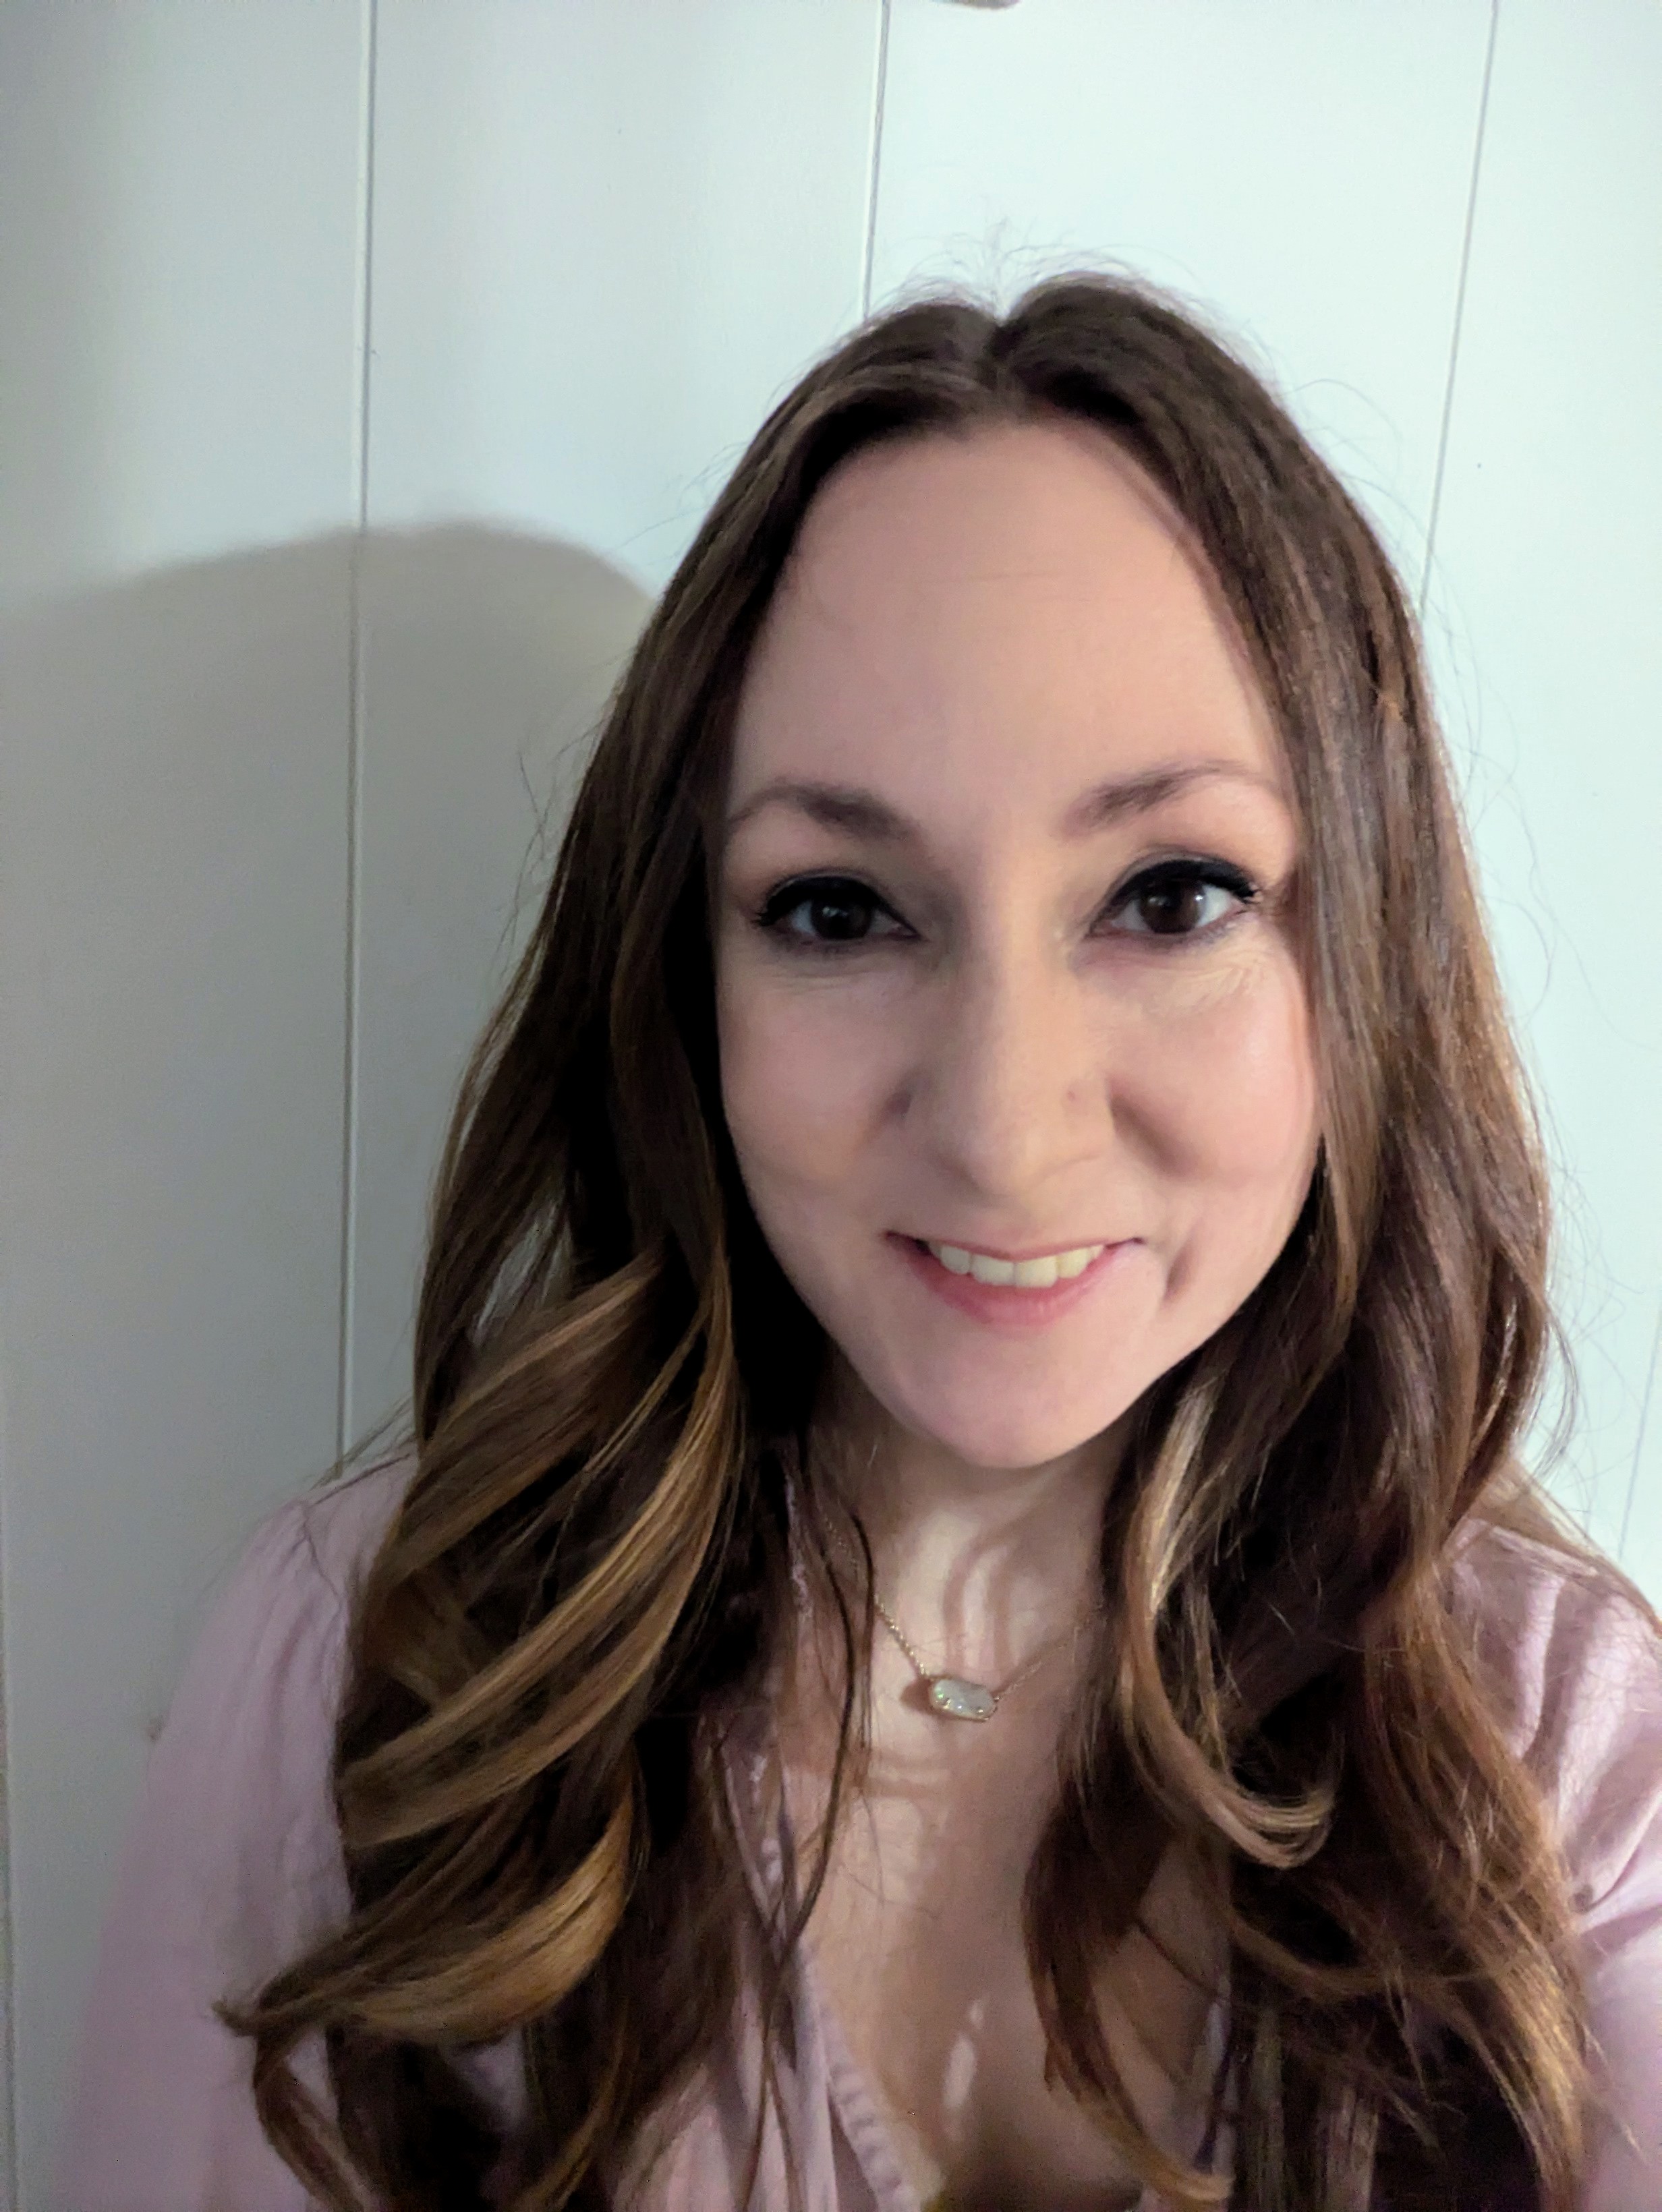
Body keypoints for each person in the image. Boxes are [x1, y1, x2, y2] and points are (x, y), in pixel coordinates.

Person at [61, 275, 1662, 2212]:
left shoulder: (1572, 1765)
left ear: (1369, 958)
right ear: (687, 982)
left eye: (1172, 896)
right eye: (838, 909)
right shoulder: (372, 1683)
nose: (1002, 1125)